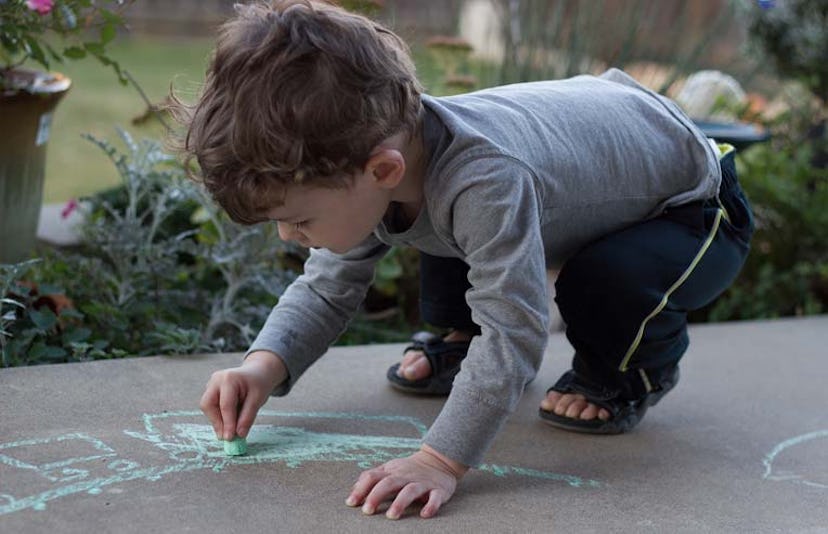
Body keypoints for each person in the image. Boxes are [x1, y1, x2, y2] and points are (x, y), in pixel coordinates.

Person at [170, 0, 754, 520]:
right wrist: (261, 368)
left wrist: (439, 460)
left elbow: (516, 326)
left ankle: (627, 375)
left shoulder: (484, 179)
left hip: (692, 209)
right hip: (583, 172)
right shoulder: (380, 148)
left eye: (299, 220)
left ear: (382, 169)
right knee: (439, 223)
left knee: (600, 281)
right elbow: (328, 286)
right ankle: (455, 341)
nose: (286, 236)